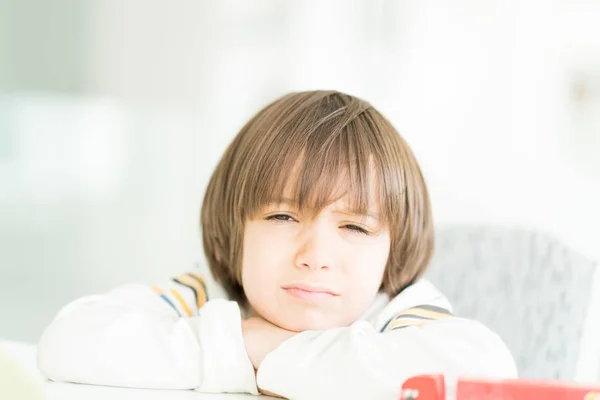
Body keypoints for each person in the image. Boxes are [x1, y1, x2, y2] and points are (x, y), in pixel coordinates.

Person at [37, 90, 517, 400]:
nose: (316, 255)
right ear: (235, 227)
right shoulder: (210, 296)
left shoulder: (397, 313)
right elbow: (69, 340)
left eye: (354, 228)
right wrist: (244, 339)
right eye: (283, 216)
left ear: (392, 247)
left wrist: (273, 352)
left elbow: (484, 371)